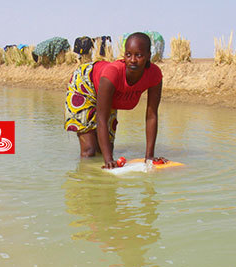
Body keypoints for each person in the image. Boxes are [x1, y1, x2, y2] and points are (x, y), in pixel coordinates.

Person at [64, 32, 163, 168]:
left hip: (107, 93)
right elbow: (101, 118)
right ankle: (86, 183)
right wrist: (108, 161)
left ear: (148, 56)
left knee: (104, 149)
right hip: (84, 85)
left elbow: (152, 116)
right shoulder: (113, 73)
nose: (133, 60)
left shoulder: (154, 75)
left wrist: (149, 157)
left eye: (139, 55)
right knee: (89, 150)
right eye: (128, 55)